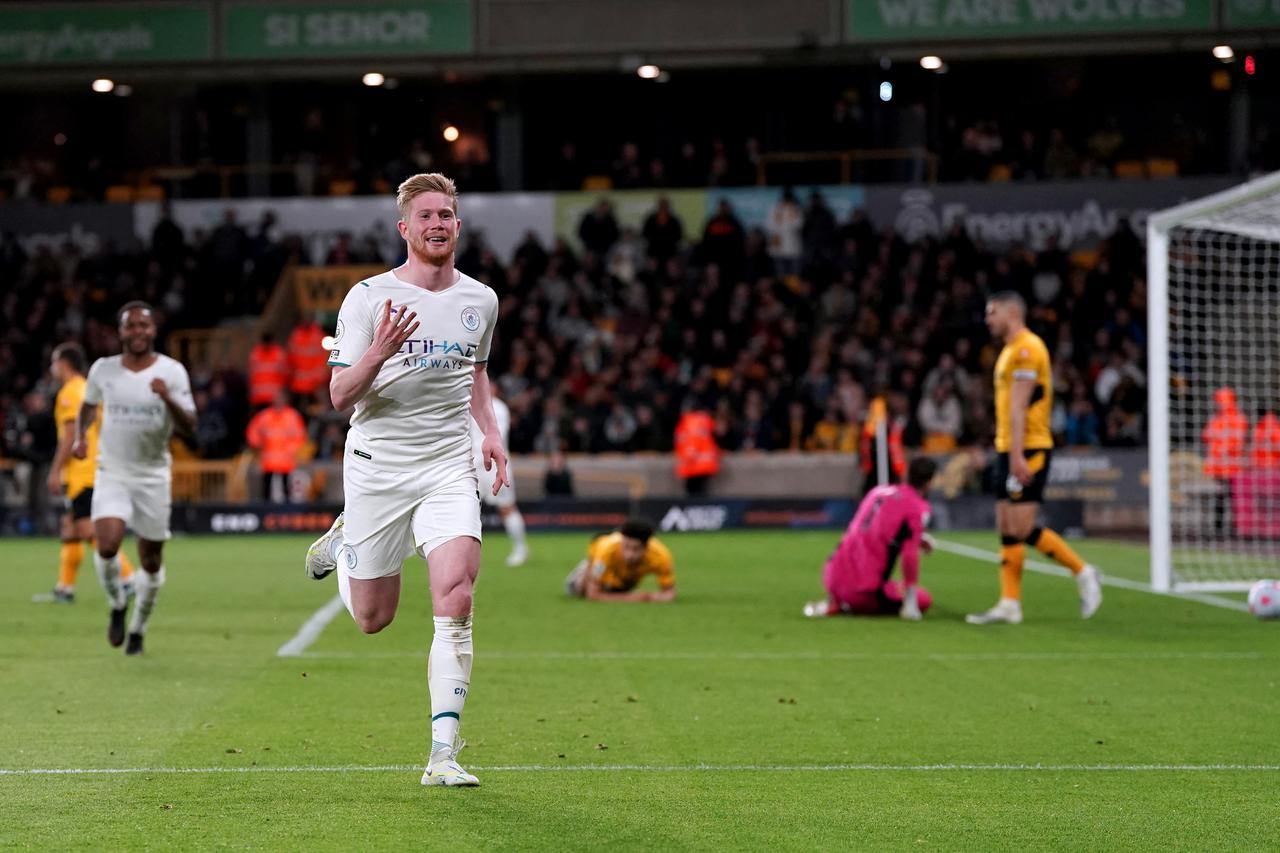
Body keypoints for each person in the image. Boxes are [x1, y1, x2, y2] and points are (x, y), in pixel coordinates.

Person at [303, 173, 504, 788]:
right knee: (373, 618)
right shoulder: (368, 298)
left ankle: (442, 753)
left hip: (447, 464)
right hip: (378, 468)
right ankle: (346, 546)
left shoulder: (481, 301)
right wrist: (379, 351)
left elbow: (475, 371)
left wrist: (489, 432)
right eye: (426, 217)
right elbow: (339, 394)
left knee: (457, 597)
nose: (438, 224)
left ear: (457, 225)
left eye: (446, 214)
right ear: (405, 229)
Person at [967, 292, 1101, 625]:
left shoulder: (1028, 349)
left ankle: (1083, 572)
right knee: (1007, 526)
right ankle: (1010, 603)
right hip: (1007, 446)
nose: (987, 319)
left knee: (1022, 525)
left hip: (1028, 447)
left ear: (1013, 311)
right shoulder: (1009, 351)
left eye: (992, 312)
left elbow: (1018, 407)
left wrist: (1015, 456)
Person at [74, 302, 197, 655]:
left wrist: (166, 396)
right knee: (108, 544)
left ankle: (139, 628)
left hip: (152, 476)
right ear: (122, 331)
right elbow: (87, 405)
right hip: (112, 471)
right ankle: (117, 603)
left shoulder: (172, 373)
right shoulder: (103, 370)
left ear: (153, 330)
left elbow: (190, 425)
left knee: (151, 561)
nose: (138, 331)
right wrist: (82, 436)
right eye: (131, 326)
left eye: (144, 325)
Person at [35, 343, 136, 604]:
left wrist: (55, 471)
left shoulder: (70, 392)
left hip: (81, 471)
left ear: (64, 364)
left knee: (88, 529)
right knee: (70, 527)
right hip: (93, 466)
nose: (51, 368)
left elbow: (70, 435)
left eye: (54, 362)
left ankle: (128, 578)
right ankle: (65, 589)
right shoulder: (89, 388)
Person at [803, 457, 938, 619]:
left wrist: (918, 538)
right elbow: (909, 556)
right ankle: (849, 604)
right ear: (929, 482)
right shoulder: (917, 507)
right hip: (862, 591)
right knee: (923, 598)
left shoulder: (878, 491)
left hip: (833, 579)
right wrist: (910, 601)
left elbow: (866, 528)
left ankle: (838, 600)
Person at [469, 387, 529, 566]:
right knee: (466, 509)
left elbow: (497, 436)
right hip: (472, 466)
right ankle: (465, 554)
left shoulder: (499, 407)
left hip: (495, 464)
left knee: (506, 507)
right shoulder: (468, 404)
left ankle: (521, 548)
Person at [563, 519, 675, 603]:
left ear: (646, 547)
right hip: (597, 561)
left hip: (625, 579)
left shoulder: (661, 555)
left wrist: (650, 597)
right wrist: (635, 598)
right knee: (578, 589)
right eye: (626, 547)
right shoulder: (606, 550)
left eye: (635, 549)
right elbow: (592, 594)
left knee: (616, 589)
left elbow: (669, 593)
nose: (629, 555)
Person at [245, 388, 308, 504]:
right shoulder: (265, 416)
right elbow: (253, 431)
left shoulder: (292, 416)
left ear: (286, 400)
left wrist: (291, 449)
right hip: (268, 460)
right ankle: (265, 510)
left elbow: (300, 435)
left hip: (286, 460)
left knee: (286, 489)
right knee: (266, 489)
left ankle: (285, 511)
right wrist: (257, 444)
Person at [674, 400, 720, 496]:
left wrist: (686, 461)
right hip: (707, 462)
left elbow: (692, 444)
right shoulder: (704, 419)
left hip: (695, 464)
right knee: (702, 490)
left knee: (693, 492)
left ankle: (696, 510)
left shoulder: (691, 421)